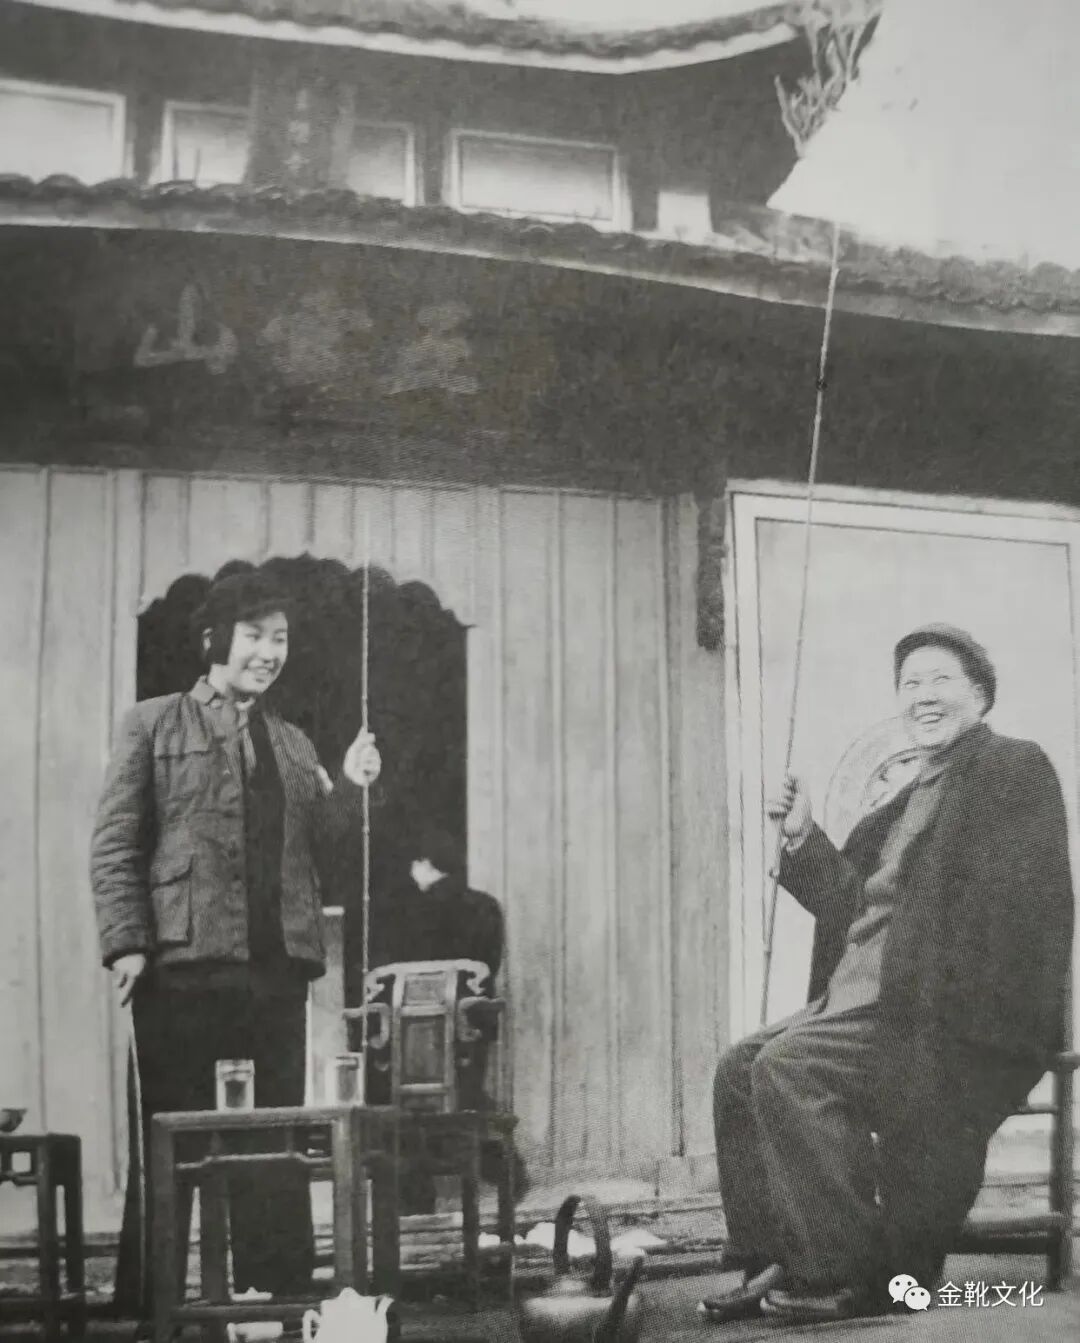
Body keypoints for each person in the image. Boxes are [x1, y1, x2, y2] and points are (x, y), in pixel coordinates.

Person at [703, 624, 1073, 1324]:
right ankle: (775, 1254)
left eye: (941, 679)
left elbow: (1025, 910)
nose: (923, 695)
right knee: (737, 1068)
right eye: (910, 683)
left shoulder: (1010, 770)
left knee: (787, 1066)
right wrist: (803, 836)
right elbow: (852, 905)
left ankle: (845, 1269)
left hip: (941, 1011)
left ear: (980, 695)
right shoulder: (905, 802)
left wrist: (937, 998)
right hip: (863, 997)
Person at [90, 570, 383, 1316]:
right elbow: (116, 844)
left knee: (272, 1143)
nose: (269, 652)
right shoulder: (151, 724)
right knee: (169, 1144)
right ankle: (152, 1308)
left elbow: (324, 848)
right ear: (216, 638)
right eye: (255, 635)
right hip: (180, 972)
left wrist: (351, 785)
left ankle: (274, 1300)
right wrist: (127, 943)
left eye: (280, 638)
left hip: (275, 973)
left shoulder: (292, 742)